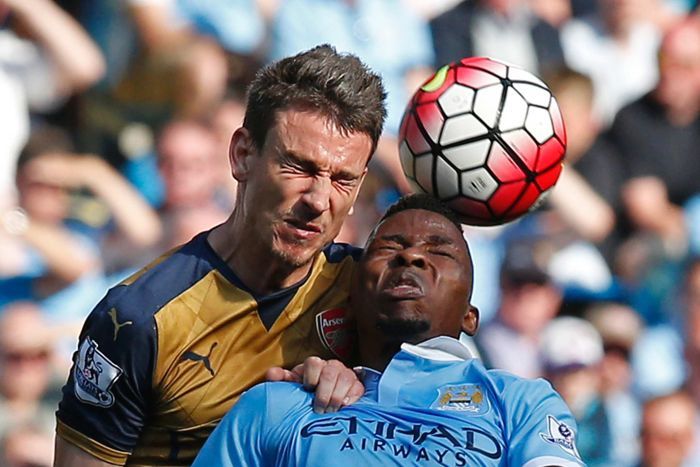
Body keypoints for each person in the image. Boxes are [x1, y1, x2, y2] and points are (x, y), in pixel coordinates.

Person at [53, 44, 387, 466]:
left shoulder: (368, 293)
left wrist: (364, 390)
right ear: (243, 155)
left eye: (343, 179)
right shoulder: (139, 321)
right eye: (300, 167)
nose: (319, 200)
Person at [194, 194, 585, 466]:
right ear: (351, 297)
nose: (411, 255)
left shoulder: (520, 403)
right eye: (388, 246)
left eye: (439, 251)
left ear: (470, 316)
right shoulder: (276, 406)